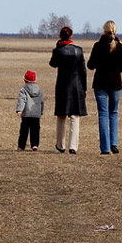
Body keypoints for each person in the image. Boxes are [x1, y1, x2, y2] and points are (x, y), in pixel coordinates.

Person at [87, 20, 122, 155]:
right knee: (113, 113)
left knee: (103, 115)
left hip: (100, 83)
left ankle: (105, 147)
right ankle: (114, 144)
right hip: (115, 83)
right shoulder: (121, 47)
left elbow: (90, 65)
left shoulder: (97, 46)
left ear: (104, 31)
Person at [49, 26, 87, 154]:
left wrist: (57, 47)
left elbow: (52, 64)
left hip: (62, 85)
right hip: (77, 85)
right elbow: (83, 71)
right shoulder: (79, 51)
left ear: (60, 36)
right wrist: (84, 88)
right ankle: (73, 146)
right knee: (75, 116)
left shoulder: (59, 51)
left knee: (61, 115)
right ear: (71, 36)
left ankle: (60, 144)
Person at [16, 70, 44, 151]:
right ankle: (35, 145)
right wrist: (41, 111)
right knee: (35, 130)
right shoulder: (39, 90)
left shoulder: (23, 89)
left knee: (24, 130)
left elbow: (22, 100)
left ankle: (21, 146)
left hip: (26, 114)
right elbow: (41, 102)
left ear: (25, 80)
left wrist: (19, 110)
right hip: (36, 114)